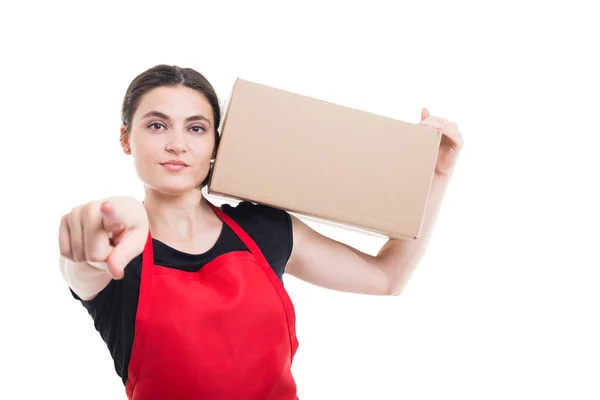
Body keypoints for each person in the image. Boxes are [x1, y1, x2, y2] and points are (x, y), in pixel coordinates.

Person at [58, 64, 463, 400]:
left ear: (216, 143)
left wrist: (436, 177)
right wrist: (105, 225)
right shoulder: (113, 249)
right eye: (158, 125)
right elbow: (85, 255)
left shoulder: (266, 229)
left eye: (196, 128)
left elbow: (387, 276)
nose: (178, 144)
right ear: (126, 139)